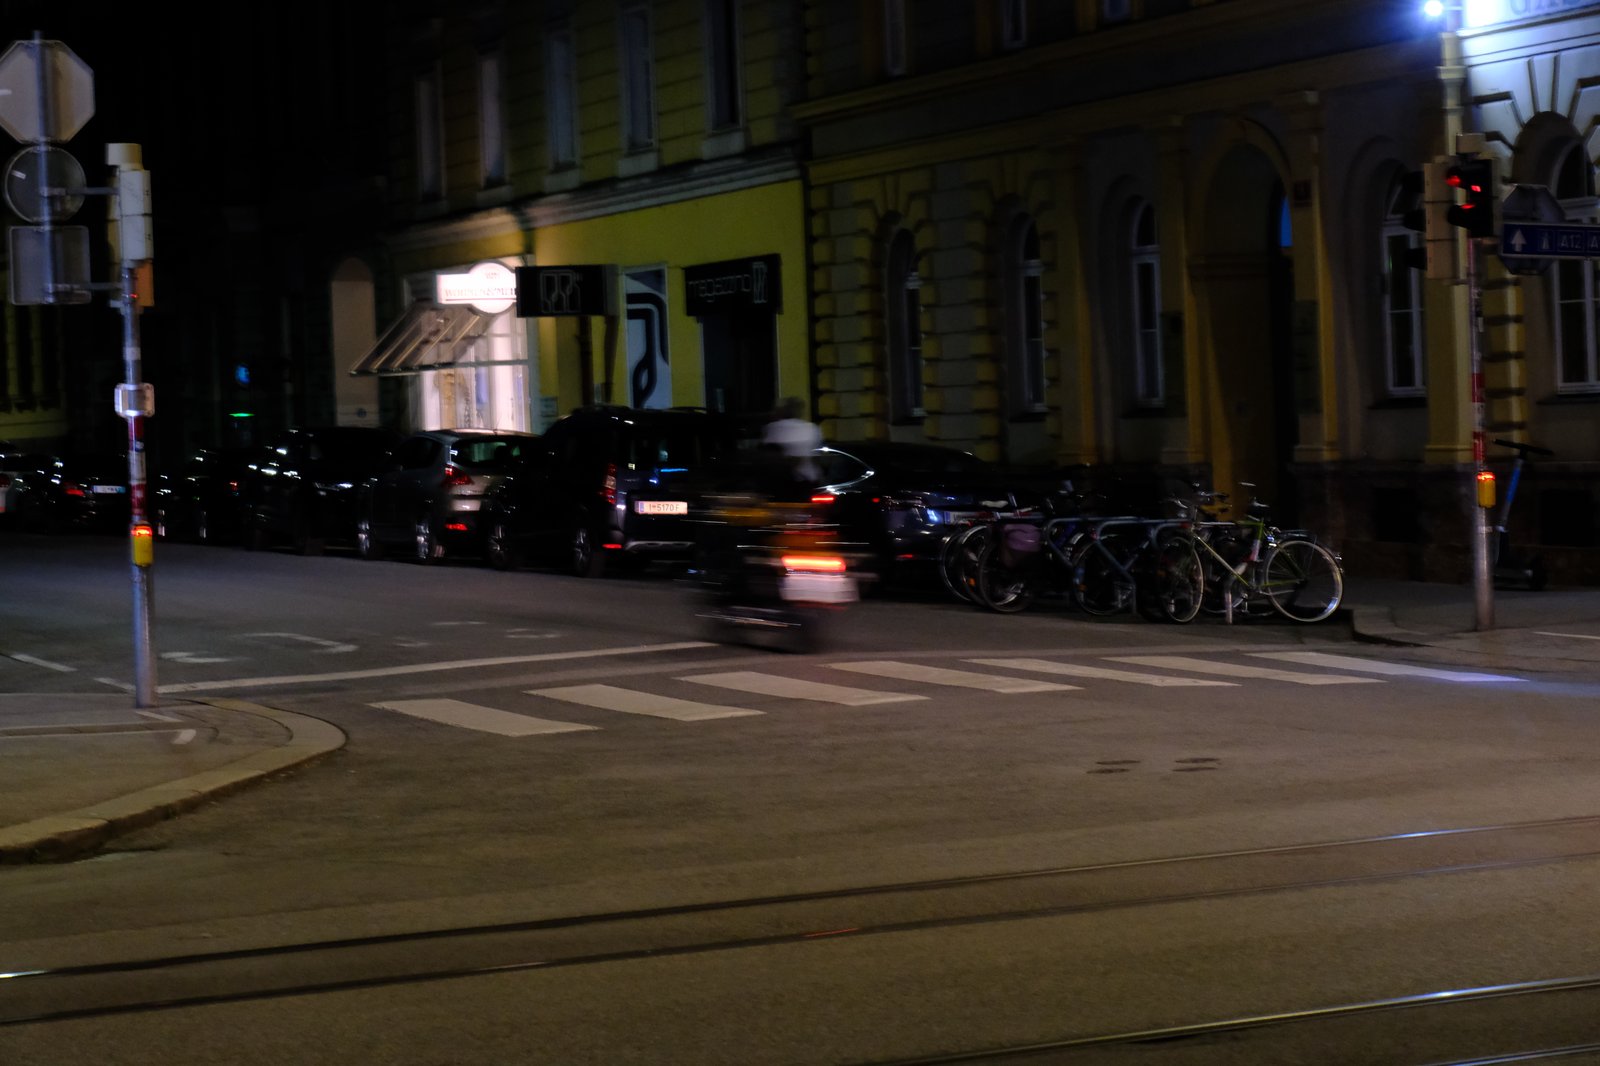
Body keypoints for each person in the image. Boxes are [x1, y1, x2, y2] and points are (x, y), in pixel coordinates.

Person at [762, 396, 822, 485]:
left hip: (781, 479)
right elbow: (815, 456)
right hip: (808, 477)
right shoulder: (812, 428)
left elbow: (767, 453)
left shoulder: (773, 428)